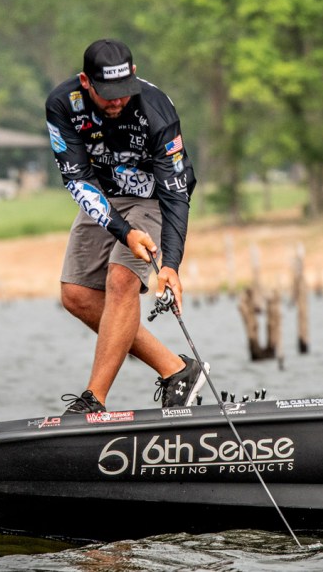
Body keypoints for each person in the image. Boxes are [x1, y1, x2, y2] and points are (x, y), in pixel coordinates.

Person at [45, 38, 208, 414]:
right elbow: (77, 179)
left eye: (123, 90)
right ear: (86, 82)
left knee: (121, 280)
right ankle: (177, 370)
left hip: (153, 195)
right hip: (103, 193)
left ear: (133, 74)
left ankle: (93, 400)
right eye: (107, 94)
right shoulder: (62, 104)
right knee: (77, 295)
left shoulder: (156, 108)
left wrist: (171, 266)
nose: (117, 101)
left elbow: (175, 193)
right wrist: (124, 231)